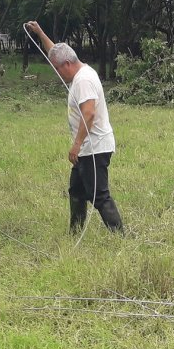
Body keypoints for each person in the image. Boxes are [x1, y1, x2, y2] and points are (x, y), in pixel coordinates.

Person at [23, 20, 124, 233]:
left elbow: (89, 114)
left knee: (99, 196)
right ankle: (75, 231)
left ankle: (119, 236)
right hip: (88, 148)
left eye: (59, 70)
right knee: (76, 190)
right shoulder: (75, 68)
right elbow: (56, 53)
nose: (58, 74)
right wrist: (40, 33)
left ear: (67, 65)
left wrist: (76, 145)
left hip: (94, 147)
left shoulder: (83, 80)